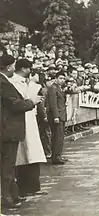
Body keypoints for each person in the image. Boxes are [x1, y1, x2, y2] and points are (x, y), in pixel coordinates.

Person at [0, 54, 42, 209]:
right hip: (8, 130)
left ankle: (13, 194)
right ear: (10, 66)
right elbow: (15, 105)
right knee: (7, 166)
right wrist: (31, 102)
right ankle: (7, 198)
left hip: (7, 129)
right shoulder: (4, 83)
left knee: (8, 166)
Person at [9, 59, 47, 197]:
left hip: (30, 120)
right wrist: (32, 100)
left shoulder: (28, 83)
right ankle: (24, 188)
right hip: (20, 120)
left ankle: (33, 187)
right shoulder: (13, 82)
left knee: (32, 154)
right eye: (29, 69)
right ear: (25, 69)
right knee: (22, 155)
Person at [47, 71, 67, 165]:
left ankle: (58, 155)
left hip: (61, 114)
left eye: (63, 78)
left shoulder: (59, 88)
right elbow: (53, 103)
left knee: (60, 137)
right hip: (57, 115)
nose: (62, 80)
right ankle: (56, 157)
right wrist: (56, 116)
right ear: (56, 78)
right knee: (57, 137)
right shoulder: (53, 88)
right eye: (60, 78)